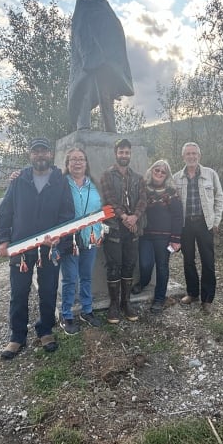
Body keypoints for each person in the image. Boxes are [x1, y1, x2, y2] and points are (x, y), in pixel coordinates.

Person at [0, 137, 75, 360]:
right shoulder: (19, 180)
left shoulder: (60, 181)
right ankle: (17, 337)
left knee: (48, 290)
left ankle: (46, 331)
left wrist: (58, 236)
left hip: (48, 248)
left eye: (43, 151)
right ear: (30, 155)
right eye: (36, 152)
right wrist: (4, 240)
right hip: (21, 247)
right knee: (19, 292)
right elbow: (5, 212)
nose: (40, 155)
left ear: (50, 154)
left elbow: (67, 213)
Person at [68, 0, 134, 133]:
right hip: (89, 56)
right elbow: (79, 28)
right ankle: (83, 127)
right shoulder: (84, 1)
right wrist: (87, 55)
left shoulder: (106, 6)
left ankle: (111, 130)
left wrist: (116, 61)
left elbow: (115, 33)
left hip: (107, 60)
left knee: (106, 94)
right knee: (85, 90)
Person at [172, 142, 223, 315]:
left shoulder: (210, 174)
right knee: (188, 260)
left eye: (194, 153)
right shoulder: (176, 178)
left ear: (199, 156)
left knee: (208, 261)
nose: (191, 156)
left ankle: (207, 299)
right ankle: (192, 293)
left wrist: (216, 221)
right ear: (183, 157)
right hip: (185, 225)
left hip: (205, 223)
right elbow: (172, 203)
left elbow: (219, 197)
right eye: (188, 154)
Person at [100, 138, 146, 323]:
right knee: (113, 266)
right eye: (121, 152)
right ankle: (113, 305)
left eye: (127, 152)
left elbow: (143, 199)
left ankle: (126, 302)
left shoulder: (138, 178)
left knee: (129, 265)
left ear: (130, 154)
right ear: (116, 153)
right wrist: (126, 217)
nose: (124, 155)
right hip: (113, 227)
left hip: (133, 228)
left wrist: (135, 216)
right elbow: (110, 200)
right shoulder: (107, 176)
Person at [58, 147, 104, 335]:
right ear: (67, 164)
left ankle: (87, 310)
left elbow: (101, 209)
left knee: (86, 276)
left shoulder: (93, 185)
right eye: (73, 160)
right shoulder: (60, 184)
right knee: (70, 279)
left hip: (90, 238)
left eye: (81, 159)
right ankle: (66, 314)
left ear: (86, 163)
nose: (77, 163)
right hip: (70, 240)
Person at [133, 160, 182, 314]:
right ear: (151, 170)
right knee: (145, 263)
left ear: (167, 175)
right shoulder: (143, 190)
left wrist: (176, 239)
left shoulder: (172, 192)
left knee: (162, 267)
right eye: (157, 169)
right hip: (146, 235)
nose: (159, 173)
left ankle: (159, 299)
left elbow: (178, 216)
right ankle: (144, 282)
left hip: (165, 237)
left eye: (163, 171)